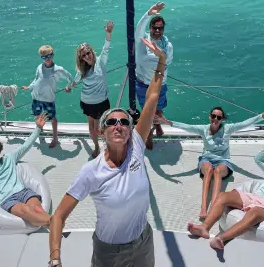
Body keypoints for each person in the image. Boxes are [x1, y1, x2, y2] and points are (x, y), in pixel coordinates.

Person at [48, 38, 166, 267]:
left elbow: (152, 96)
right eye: (111, 122)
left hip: (144, 242)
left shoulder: (137, 147)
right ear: (102, 131)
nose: (119, 124)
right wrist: (55, 258)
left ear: (131, 130)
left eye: (124, 121)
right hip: (109, 252)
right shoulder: (91, 171)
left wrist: (161, 61)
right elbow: (58, 216)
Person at [157, 106, 264, 219]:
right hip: (206, 158)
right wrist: (167, 122)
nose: (215, 119)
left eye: (219, 117)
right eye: (213, 116)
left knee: (217, 172)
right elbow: (185, 126)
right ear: (210, 117)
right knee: (209, 170)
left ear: (222, 119)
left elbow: (246, 123)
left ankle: (214, 207)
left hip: (223, 161)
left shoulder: (228, 129)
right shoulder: (203, 129)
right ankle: (204, 208)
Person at [73, 21, 114, 158]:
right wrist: (69, 86)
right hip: (87, 101)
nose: (87, 56)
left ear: (92, 51)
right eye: (83, 56)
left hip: (101, 101)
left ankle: (107, 145)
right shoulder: (82, 69)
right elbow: (76, 80)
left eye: (88, 53)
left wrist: (108, 33)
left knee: (100, 128)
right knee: (92, 127)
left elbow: (106, 47)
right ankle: (97, 146)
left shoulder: (101, 61)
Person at [135, 1, 173, 150]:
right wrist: (148, 14)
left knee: (159, 109)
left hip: (160, 83)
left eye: (160, 28)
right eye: (155, 28)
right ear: (150, 28)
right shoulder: (142, 40)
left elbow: (166, 61)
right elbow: (139, 28)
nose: (157, 31)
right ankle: (148, 134)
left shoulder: (167, 45)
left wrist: (158, 55)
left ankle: (157, 125)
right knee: (146, 112)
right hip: (143, 83)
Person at [22, 45, 73, 148]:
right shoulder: (39, 67)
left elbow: (70, 78)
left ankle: (55, 139)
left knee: (52, 119)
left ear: (53, 55)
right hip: (36, 98)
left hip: (48, 100)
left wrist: (68, 87)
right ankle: (39, 133)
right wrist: (29, 87)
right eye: (44, 57)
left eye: (49, 55)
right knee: (37, 117)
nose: (47, 58)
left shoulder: (58, 69)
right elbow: (36, 80)